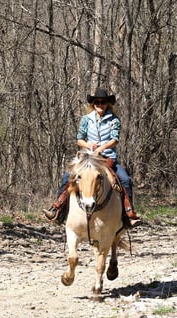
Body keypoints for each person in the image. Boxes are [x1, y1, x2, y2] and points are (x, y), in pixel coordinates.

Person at [43, 87, 142, 228]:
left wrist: (101, 148)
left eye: (102, 102)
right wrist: (89, 145)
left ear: (107, 104)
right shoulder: (86, 119)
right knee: (68, 177)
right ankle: (58, 209)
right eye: (97, 102)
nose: (100, 105)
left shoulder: (114, 120)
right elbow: (79, 139)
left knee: (125, 180)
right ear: (93, 104)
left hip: (107, 157)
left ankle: (129, 213)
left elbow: (115, 139)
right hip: (88, 157)